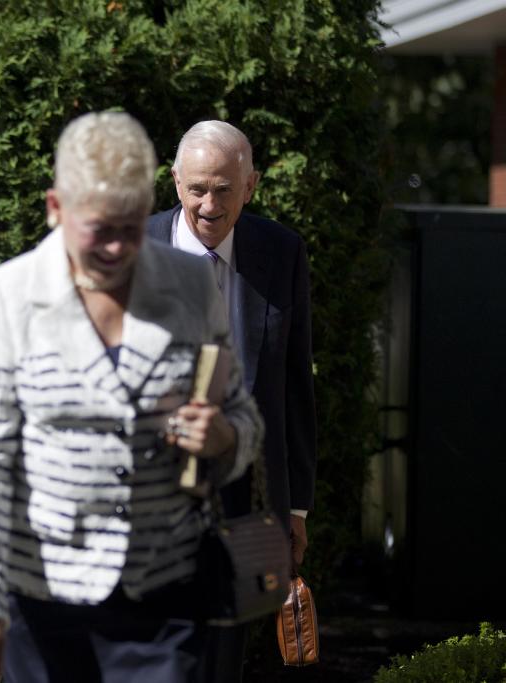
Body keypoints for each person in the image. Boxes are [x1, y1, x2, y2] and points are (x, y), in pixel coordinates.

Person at [0, 111, 264, 683]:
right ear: (56, 208)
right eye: (99, 228)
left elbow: (242, 414)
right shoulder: (7, 296)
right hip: (42, 599)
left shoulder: (191, 285)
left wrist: (226, 437)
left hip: (165, 593)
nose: (117, 246)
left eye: (132, 226)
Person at [147, 120, 318, 682]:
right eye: (197, 188)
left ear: (251, 186)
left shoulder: (281, 252)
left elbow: (293, 388)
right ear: (175, 182)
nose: (209, 204)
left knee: (223, 659)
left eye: (224, 189)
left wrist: (295, 508)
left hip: (246, 501)